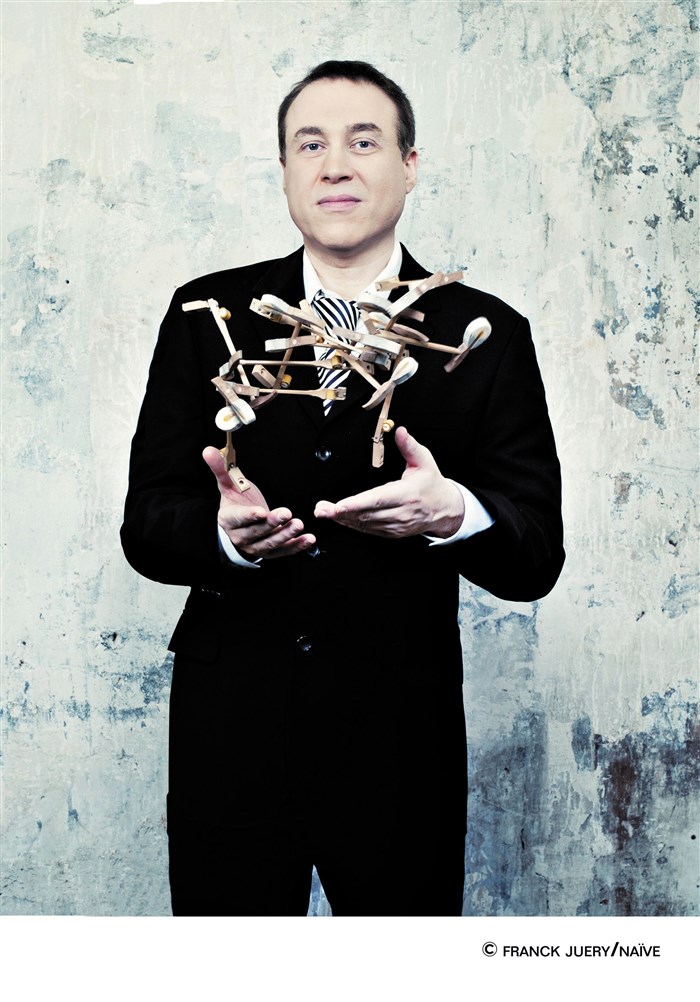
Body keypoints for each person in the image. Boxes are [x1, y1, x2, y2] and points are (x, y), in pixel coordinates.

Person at [121, 60, 564, 916]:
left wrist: (456, 513)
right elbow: (147, 524)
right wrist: (223, 538)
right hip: (232, 734)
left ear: (409, 165)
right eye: (310, 145)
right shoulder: (206, 315)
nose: (334, 166)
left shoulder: (488, 335)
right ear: (285, 171)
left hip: (399, 739)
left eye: (364, 142)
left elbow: (535, 556)